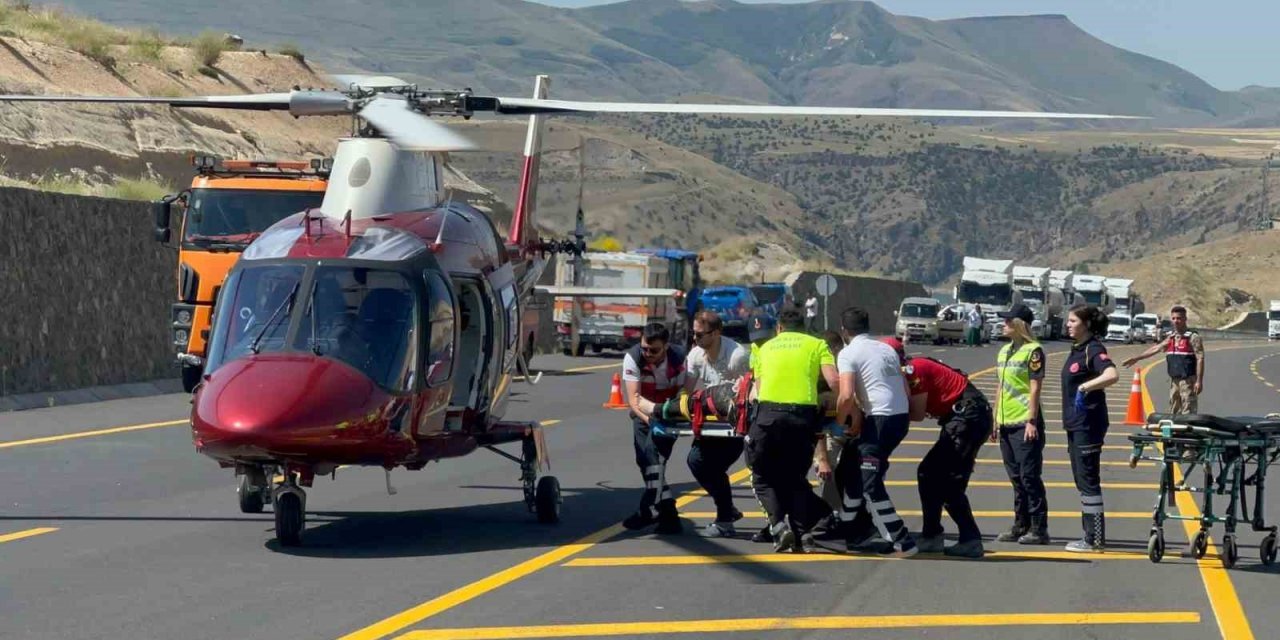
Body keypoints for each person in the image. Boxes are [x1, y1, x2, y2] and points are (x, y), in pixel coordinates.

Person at [886, 336, 993, 558]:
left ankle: (970, 539)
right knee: (928, 473)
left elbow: (915, 414)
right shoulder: (908, 371)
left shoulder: (912, 371)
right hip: (963, 418)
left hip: (968, 418)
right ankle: (932, 534)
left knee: (947, 481)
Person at [749, 308, 838, 553]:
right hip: (802, 417)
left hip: (769, 416)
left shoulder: (765, 348)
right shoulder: (817, 344)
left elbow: (758, 389)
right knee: (796, 478)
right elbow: (834, 382)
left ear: (779, 328)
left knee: (761, 475)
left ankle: (779, 527)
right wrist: (842, 407)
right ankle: (804, 535)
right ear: (804, 329)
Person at [833, 306, 917, 557]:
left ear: (844, 330)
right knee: (855, 474)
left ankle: (902, 540)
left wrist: (839, 424)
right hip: (898, 418)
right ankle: (846, 529)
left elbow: (846, 395)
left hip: (879, 419)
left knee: (870, 483)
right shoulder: (888, 348)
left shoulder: (848, 353)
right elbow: (907, 390)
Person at [683, 311, 751, 537]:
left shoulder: (736, 356)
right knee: (695, 462)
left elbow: (748, 392)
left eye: (701, 335)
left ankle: (724, 519)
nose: (696, 339)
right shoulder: (695, 355)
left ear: (717, 333)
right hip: (709, 424)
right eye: (694, 334)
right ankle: (727, 511)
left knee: (715, 467)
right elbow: (687, 390)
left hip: (734, 425)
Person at [1061, 304, 1120, 552]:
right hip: (1076, 424)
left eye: (1073, 321)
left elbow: (1111, 374)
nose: (1068, 324)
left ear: (1085, 324)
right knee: (1081, 480)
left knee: (1088, 480)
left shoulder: (1093, 349)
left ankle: (1094, 538)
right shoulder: (1077, 349)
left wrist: (1086, 387)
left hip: (1088, 424)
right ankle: (1090, 535)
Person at [621, 323, 688, 535]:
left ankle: (647, 510)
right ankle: (669, 516)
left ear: (666, 346)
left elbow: (684, 394)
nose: (648, 354)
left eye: (654, 350)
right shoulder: (633, 358)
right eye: (644, 349)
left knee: (655, 459)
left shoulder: (680, 359)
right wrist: (651, 420)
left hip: (669, 414)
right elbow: (634, 400)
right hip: (643, 413)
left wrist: (667, 416)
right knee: (645, 461)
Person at [993, 303, 1050, 545]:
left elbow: (1035, 387)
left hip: (1024, 422)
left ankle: (1039, 527)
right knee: (1015, 477)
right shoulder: (1004, 351)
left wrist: (1031, 420)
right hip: (1006, 422)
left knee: (1029, 476)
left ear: (1020, 324)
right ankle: (1020, 524)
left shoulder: (1033, 351)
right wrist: (995, 418)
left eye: (1008, 321)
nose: (1003, 324)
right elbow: (1000, 386)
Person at [1121, 305, 1204, 415]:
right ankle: (1175, 431)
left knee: (1188, 408)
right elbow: (1156, 348)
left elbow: (1200, 358)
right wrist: (1136, 358)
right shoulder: (1171, 338)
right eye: (1173, 318)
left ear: (1185, 319)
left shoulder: (1192, 337)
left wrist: (1199, 381)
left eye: (1179, 318)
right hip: (1174, 380)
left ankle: (1186, 431)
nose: (1176, 321)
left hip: (1188, 380)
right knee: (1174, 409)